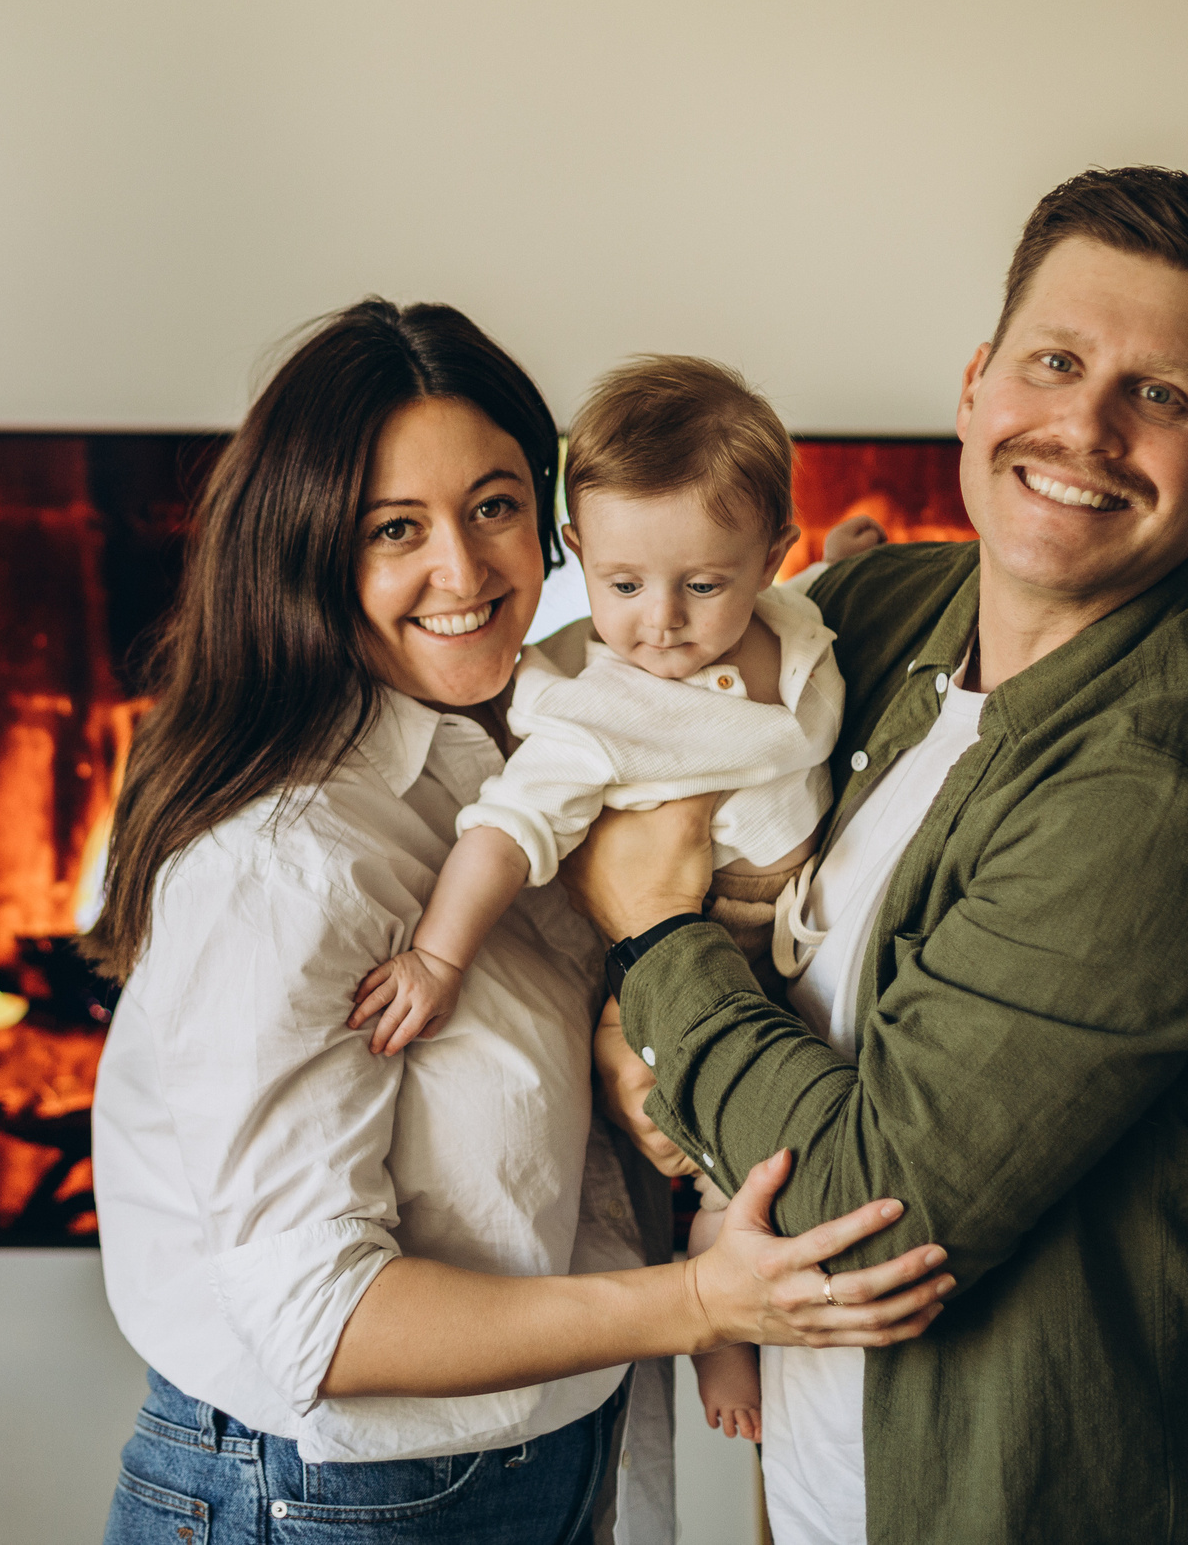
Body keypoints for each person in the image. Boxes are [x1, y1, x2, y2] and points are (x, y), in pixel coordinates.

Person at [87, 299, 955, 1545]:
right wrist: (702, 1303)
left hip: (538, 1457)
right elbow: (322, 1325)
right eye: (395, 528)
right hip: (336, 1500)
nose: (467, 572)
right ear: (306, 549)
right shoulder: (285, 865)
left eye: (492, 507)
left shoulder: (519, 729)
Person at [574, 167, 1188, 1544]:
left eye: (1160, 393)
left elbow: (867, 1220)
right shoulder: (885, 609)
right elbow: (616, 667)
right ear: (977, 384)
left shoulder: (1171, 782)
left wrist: (653, 946)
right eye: (1055, 362)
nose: (1086, 427)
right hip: (837, 1481)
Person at [341, 355, 875, 1444]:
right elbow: (503, 832)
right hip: (690, 953)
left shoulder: (787, 619)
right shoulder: (591, 713)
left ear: (770, 556)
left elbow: (806, 605)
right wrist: (438, 956)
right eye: (623, 586)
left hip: (793, 931)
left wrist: (848, 562)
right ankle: (715, 1314)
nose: (661, 622)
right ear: (577, 550)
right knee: (733, 1154)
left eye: (703, 585)